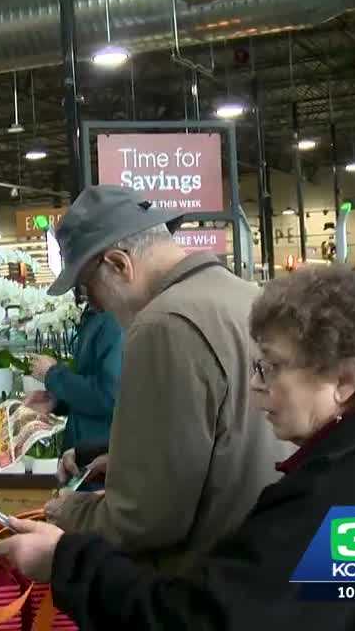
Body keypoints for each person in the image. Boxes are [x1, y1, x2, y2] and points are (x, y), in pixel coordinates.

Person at [0, 265, 355, 630]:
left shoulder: (345, 506)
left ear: (343, 380)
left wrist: (64, 559)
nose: (257, 384)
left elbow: (209, 622)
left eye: (272, 365)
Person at [40, 185, 291, 574]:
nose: (97, 306)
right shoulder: (250, 297)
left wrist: (71, 512)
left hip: (203, 585)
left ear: (120, 265)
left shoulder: (163, 324)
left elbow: (146, 522)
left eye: (89, 292)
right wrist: (134, 462)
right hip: (265, 569)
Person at [24, 296, 122, 452]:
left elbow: (107, 396)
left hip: (100, 455)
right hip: (86, 452)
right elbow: (92, 386)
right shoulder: (95, 315)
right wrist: (58, 402)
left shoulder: (113, 320)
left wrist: (53, 375)